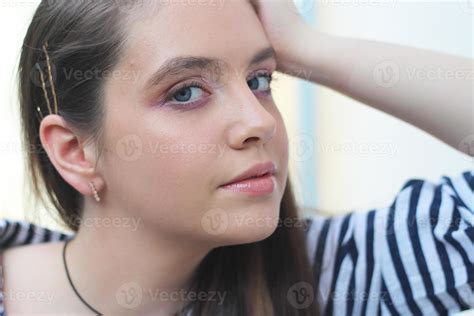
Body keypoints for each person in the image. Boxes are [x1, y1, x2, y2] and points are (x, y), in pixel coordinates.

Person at [0, 0, 472, 315]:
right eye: (186, 91)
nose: (259, 122)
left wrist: (309, 47)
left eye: (260, 80)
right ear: (76, 151)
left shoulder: (328, 278)